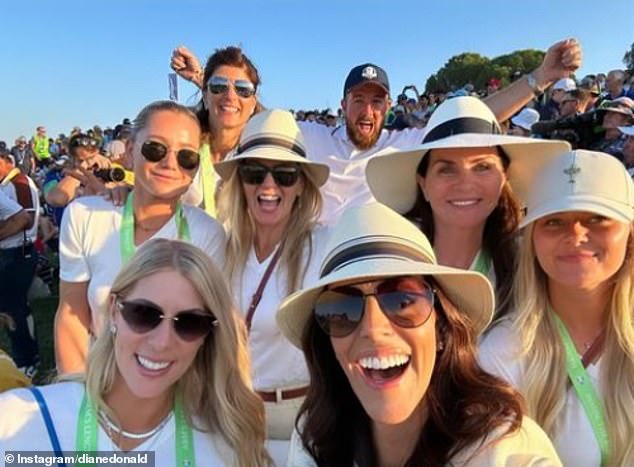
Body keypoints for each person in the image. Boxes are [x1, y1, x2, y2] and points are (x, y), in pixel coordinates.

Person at [173, 39, 582, 224]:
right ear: (343, 105)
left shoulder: (404, 145)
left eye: (376, 102)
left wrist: (541, 77)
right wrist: (203, 82)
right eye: (358, 100)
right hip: (308, 264)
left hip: (374, 265)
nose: (366, 110)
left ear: (387, 108)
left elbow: (473, 117)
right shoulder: (314, 137)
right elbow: (255, 114)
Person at [276, 203, 562, 466]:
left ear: (441, 328)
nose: (374, 330)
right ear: (328, 343)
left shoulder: (507, 450)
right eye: (342, 309)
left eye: (402, 301)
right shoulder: (313, 440)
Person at [0, 239, 272, 466]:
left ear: (207, 337)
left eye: (190, 323)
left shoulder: (225, 450)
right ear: (115, 311)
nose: (162, 342)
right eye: (144, 314)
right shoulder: (19, 420)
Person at [479, 150, 634, 466]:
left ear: (629, 233)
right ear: (532, 238)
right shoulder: (502, 351)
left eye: (596, 218)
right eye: (554, 221)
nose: (575, 234)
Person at [55, 100, 226, 375]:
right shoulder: (85, 215)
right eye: (155, 149)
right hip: (102, 381)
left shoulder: (207, 233)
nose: (170, 164)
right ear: (132, 151)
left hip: (177, 386)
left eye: (187, 156)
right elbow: (71, 312)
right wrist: (77, 392)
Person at [366, 96, 569, 319]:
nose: (465, 184)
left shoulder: (529, 264)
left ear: (504, 178)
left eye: (482, 167)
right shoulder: (389, 259)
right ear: (423, 184)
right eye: (446, 169)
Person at [213, 109, 330, 464]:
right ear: (239, 182)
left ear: (300, 187)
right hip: (234, 414)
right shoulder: (222, 248)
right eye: (253, 173)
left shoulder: (324, 247)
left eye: (284, 175)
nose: (268, 186)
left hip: (304, 418)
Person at [171, 45, 262, 216]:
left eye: (243, 89)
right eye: (219, 86)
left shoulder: (262, 154)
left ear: (253, 102)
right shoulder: (181, 147)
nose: (230, 96)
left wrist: (201, 78)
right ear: (205, 95)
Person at [0, 150, 40, 376]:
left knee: (12, 309)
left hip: (18, 252)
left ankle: (26, 360)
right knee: (18, 308)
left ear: (6, 161)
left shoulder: (19, 182)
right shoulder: (10, 183)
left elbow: (27, 219)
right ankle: (30, 355)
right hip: (15, 252)